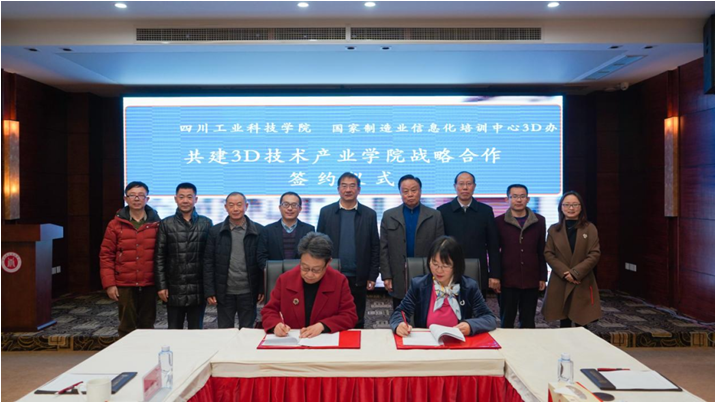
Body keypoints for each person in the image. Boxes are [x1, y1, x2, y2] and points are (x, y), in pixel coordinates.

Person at [390, 236, 497, 337]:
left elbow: (489, 318)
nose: (439, 270)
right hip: (427, 342)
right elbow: (399, 313)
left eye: (445, 265)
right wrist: (399, 324)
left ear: (456, 266)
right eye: (435, 264)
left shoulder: (469, 287)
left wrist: (470, 325)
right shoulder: (419, 285)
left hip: (458, 342)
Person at [261, 232, 358, 337]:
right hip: (292, 340)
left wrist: (323, 326)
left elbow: (349, 315)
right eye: (305, 268)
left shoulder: (339, 281)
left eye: (316, 270)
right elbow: (269, 311)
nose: (309, 275)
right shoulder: (285, 279)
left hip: (323, 340)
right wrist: (276, 325)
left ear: (328, 263)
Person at [316, 172, 380, 329]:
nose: (348, 190)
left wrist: (372, 275)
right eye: (344, 186)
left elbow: (375, 247)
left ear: (359, 189)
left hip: (358, 276)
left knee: (356, 318)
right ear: (338, 189)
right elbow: (318, 246)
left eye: (352, 186)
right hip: (331, 275)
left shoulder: (369, 214)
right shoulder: (326, 212)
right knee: (330, 316)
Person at [99, 181, 161, 337]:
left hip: (149, 282)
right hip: (124, 283)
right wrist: (109, 284)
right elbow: (106, 255)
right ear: (126, 198)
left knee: (147, 325)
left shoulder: (157, 224)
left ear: (147, 199)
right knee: (126, 326)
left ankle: (147, 352)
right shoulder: (115, 225)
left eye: (141, 195)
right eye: (132, 195)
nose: (137, 199)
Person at [380, 174, 444, 309]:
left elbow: (440, 249)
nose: (410, 194)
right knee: (401, 313)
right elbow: (383, 249)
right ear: (400, 193)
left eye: (414, 190)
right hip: (398, 274)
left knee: (425, 312)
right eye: (405, 191)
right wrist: (386, 276)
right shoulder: (389, 215)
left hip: (426, 273)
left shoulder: (434, 215)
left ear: (420, 191)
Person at [154, 183, 213, 329]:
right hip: (174, 288)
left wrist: (210, 289)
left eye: (189, 197)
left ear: (196, 199)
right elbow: (159, 257)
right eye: (181, 197)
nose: (185, 200)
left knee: (196, 331)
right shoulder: (166, 224)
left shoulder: (206, 223)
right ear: (175, 199)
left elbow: (210, 258)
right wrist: (162, 286)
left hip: (198, 288)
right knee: (174, 331)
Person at [204, 192, 265, 329]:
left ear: (246, 206)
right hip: (224, 292)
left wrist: (262, 288)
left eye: (239, 205)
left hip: (249, 291)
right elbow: (208, 262)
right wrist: (210, 291)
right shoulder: (215, 231)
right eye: (231, 205)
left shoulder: (259, 231)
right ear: (225, 207)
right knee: (225, 331)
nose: (235, 209)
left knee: (247, 330)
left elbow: (262, 263)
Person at [542, 191, 602, 327]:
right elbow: (548, 253)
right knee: (563, 321)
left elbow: (594, 254)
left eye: (575, 204)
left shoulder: (589, 228)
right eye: (567, 204)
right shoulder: (554, 230)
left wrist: (575, 273)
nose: (571, 208)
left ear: (581, 207)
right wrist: (566, 273)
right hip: (561, 279)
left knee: (582, 319)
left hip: (582, 278)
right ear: (561, 207)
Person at [437, 171, 501, 296]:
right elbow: (439, 246)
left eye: (469, 184)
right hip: (450, 271)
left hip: (478, 271)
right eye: (461, 184)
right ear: (455, 186)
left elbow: (493, 246)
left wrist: (494, 274)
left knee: (477, 305)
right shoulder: (443, 211)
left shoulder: (485, 211)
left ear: (474, 186)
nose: (465, 188)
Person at [495, 184, 547, 328]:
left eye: (522, 196)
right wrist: (496, 276)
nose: (519, 200)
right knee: (506, 320)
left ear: (528, 199)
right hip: (507, 279)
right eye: (515, 196)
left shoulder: (539, 221)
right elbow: (495, 251)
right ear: (507, 199)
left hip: (531, 277)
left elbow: (541, 250)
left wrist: (543, 276)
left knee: (528, 321)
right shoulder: (498, 222)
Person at [257, 191, 315, 271]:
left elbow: (312, 256)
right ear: (280, 207)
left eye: (294, 205)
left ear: (300, 209)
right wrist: (272, 271)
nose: (290, 208)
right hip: (275, 275)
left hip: (301, 274)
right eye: (286, 204)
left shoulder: (309, 230)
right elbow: (261, 257)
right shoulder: (267, 230)